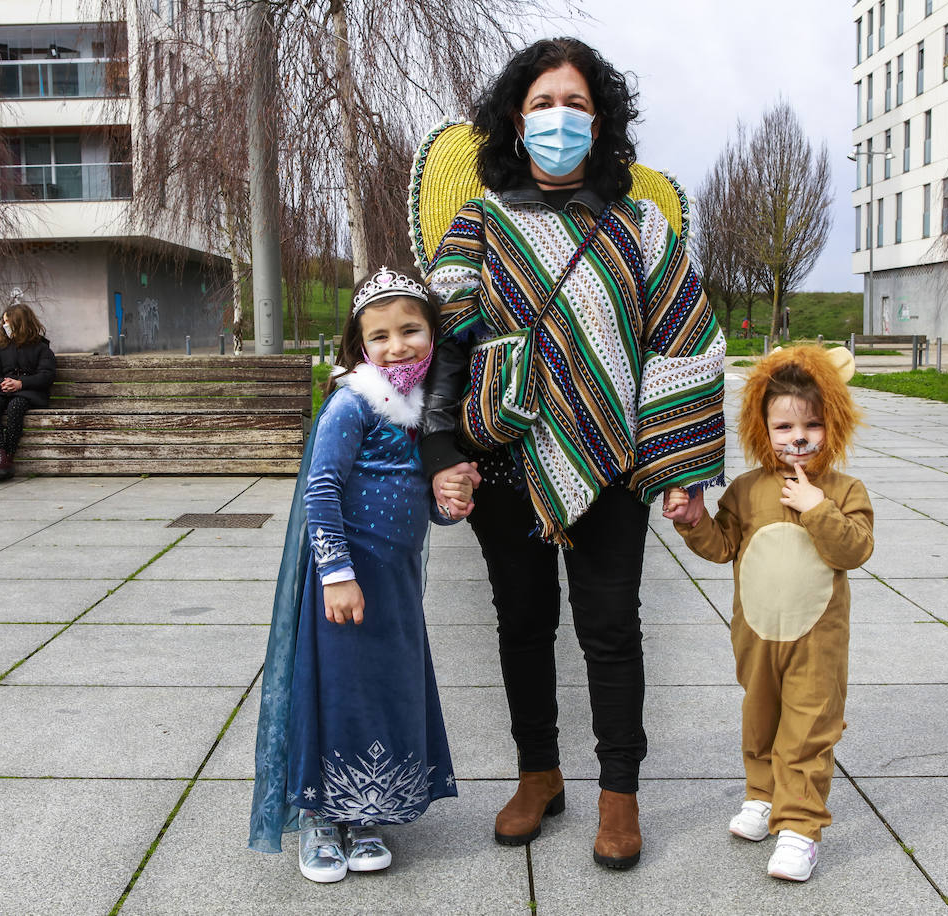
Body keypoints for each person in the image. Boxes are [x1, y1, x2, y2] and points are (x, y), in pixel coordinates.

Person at [420, 38, 728, 869]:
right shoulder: (478, 223)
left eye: (578, 104)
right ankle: (539, 774)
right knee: (522, 627)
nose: (561, 118)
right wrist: (442, 451)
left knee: (610, 632)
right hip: (504, 467)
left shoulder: (640, 228)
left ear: (602, 122)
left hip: (612, 468)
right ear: (516, 123)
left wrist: (682, 471)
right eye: (545, 104)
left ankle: (620, 797)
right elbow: (443, 348)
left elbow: (687, 342)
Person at [248, 266, 472, 883]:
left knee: (383, 687)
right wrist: (336, 574)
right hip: (345, 581)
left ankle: (364, 811)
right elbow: (321, 489)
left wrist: (450, 501)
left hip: (396, 585)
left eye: (411, 331)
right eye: (380, 337)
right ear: (360, 345)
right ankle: (320, 816)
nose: (397, 346)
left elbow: (426, 503)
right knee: (336, 689)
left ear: (433, 334)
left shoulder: (426, 415)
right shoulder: (352, 403)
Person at [664, 345, 874, 882]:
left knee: (808, 727)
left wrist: (816, 508)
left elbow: (854, 549)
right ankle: (762, 793)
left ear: (834, 424)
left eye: (812, 424)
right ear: (763, 428)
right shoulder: (747, 489)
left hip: (817, 642)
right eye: (783, 426)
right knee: (760, 718)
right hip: (757, 635)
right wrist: (694, 519)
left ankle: (800, 826)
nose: (798, 437)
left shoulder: (845, 490)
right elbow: (723, 546)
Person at [0, 302, 56, 481]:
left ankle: (7, 457)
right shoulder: (1, 349)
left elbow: (46, 376)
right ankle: (0, 455)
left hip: (30, 393)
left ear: (20, 323)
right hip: (4, 390)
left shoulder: (41, 348)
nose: (5, 326)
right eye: (4, 323)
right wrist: (1, 383)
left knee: (16, 406)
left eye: (9, 322)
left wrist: (21, 383)